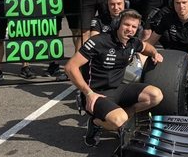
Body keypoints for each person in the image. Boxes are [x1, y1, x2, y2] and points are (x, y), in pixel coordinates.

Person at [65, 9, 164, 147]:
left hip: (118, 89)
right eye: (126, 25)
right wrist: (88, 93)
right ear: (118, 24)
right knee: (118, 121)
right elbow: (70, 67)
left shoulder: (133, 43)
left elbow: (146, 46)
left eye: (134, 27)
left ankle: (123, 116)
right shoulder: (99, 41)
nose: (130, 29)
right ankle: (95, 123)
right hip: (96, 94)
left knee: (155, 95)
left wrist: (154, 53)